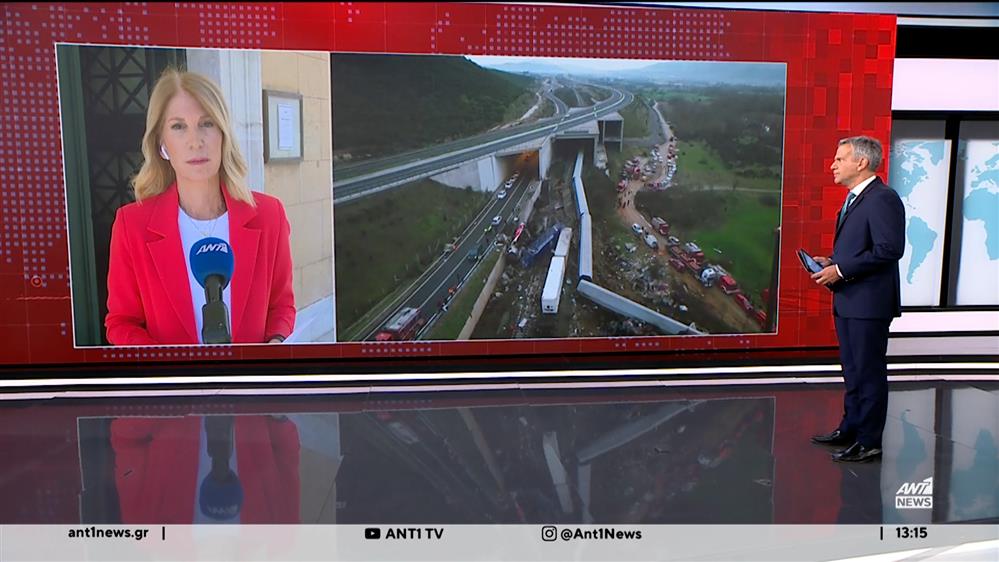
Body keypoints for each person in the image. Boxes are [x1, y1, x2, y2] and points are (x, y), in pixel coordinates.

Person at [105, 69, 295, 345]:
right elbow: (121, 323)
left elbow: (282, 307)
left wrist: (271, 350)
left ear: (223, 135)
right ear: (161, 143)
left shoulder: (269, 215)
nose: (195, 141)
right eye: (178, 127)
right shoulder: (131, 225)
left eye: (207, 123)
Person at [809, 136, 905, 463]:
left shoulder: (882, 198)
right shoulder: (855, 199)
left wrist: (841, 270)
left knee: (868, 372)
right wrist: (832, 262)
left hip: (868, 303)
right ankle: (850, 429)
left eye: (839, 159)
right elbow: (863, 247)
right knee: (852, 371)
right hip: (850, 299)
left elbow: (889, 249)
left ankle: (869, 441)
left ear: (861, 163)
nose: (832, 165)